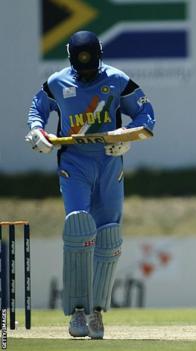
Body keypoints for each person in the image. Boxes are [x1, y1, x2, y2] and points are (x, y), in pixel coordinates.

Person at [25, 30, 155, 339]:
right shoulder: (57, 82)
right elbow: (37, 110)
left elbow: (146, 116)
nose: (87, 74)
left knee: (109, 234)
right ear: (71, 58)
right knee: (78, 227)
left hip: (109, 162)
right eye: (81, 69)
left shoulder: (117, 80)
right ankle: (78, 313)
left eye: (91, 67)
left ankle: (97, 313)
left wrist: (126, 138)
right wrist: (37, 132)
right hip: (74, 163)